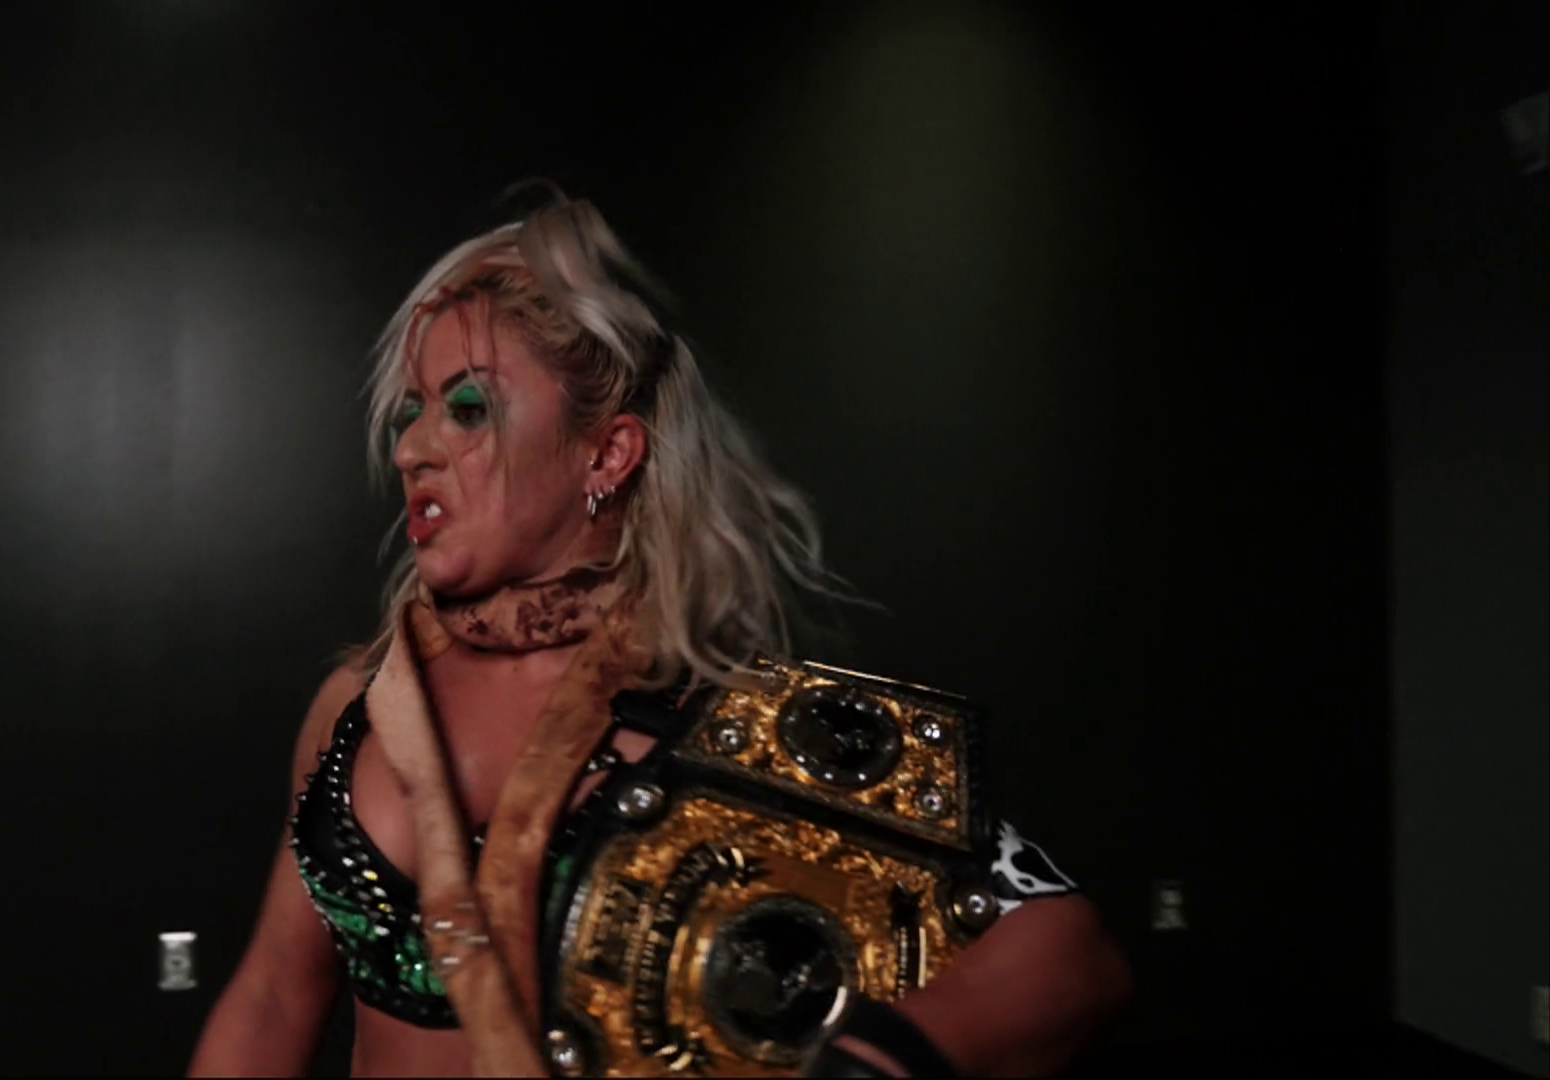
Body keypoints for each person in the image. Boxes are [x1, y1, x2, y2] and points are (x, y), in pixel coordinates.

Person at [188, 194, 1132, 1079]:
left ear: (607, 454)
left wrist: (877, 1058)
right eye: (413, 411)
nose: (412, 447)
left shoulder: (723, 719)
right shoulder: (358, 708)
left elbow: (1070, 948)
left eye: (468, 408)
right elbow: (274, 996)